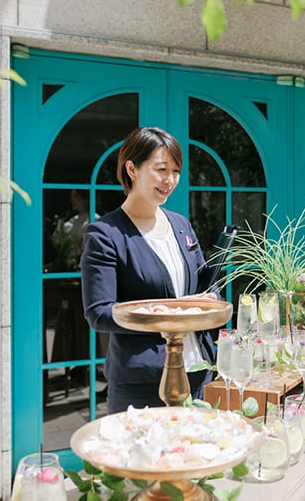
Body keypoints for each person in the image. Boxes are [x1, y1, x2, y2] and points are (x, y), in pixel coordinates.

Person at [81, 126, 215, 412]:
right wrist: (174, 311)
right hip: (142, 384)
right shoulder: (105, 234)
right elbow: (99, 313)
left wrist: (210, 298)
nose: (170, 180)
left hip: (198, 372)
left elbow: (203, 285)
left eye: (176, 171)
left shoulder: (181, 225)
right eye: (161, 169)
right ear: (132, 168)